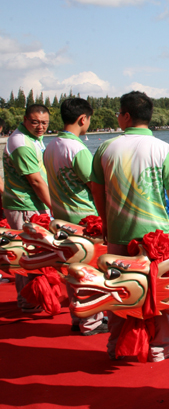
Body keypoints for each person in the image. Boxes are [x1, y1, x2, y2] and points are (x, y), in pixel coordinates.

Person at [90, 91, 169, 363]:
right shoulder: (163, 149)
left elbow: (97, 190)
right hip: (155, 238)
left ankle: (116, 345)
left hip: (119, 232)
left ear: (125, 116)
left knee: (118, 290)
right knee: (159, 290)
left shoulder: (106, 147)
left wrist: (105, 221)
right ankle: (160, 345)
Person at [42, 98, 106, 335]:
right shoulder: (77, 149)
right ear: (83, 119)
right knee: (89, 271)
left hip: (61, 217)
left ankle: (78, 317)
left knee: (72, 270)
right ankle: (93, 320)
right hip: (84, 218)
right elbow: (95, 185)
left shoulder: (50, 146)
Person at [3, 104, 52, 313]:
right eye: (35, 122)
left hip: (32, 204)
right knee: (28, 254)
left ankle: (33, 297)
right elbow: (35, 181)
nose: (40, 127)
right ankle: (27, 301)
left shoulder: (31, 138)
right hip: (25, 205)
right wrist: (55, 207)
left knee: (35, 253)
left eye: (44, 123)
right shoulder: (21, 143)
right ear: (25, 120)